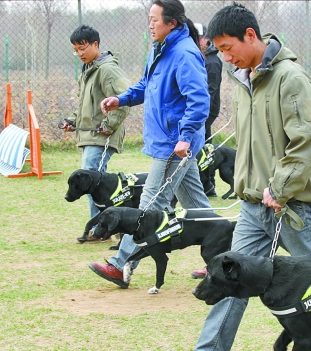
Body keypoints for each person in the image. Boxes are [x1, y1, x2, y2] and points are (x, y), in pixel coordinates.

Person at [194, 3, 311, 351]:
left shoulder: (292, 79)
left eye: (227, 48)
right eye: (219, 51)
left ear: (250, 35)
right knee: (228, 282)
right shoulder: (242, 80)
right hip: (251, 208)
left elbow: (307, 140)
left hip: (290, 207)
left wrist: (279, 189)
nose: (225, 58)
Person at [88, 0, 211, 288]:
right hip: (168, 141)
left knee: (149, 205)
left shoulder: (185, 53)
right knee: (196, 206)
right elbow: (145, 85)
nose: (150, 24)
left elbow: (199, 101)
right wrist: (122, 98)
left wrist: (185, 136)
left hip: (174, 143)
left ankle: (120, 265)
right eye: (149, 19)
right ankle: (223, 257)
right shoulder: (160, 49)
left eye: (155, 19)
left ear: (172, 23)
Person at [63, 25, 130, 242]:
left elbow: (123, 100)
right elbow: (85, 104)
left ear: (95, 45)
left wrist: (109, 126)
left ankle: (103, 229)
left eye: (82, 48)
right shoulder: (89, 70)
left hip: (102, 136)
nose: (79, 53)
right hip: (90, 136)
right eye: (76, 50)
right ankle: (110, 226)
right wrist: (72, 121)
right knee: (95, 184)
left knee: (93, 182)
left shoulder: (107, 69)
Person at [194, 23, 223, 200]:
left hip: (207, 111)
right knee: (205, 145)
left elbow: (211, 91)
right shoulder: (202, 58)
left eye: (198, 38)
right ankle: (208, 185)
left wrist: (201, 113)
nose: (196, 42)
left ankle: (207, 184)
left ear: (206, 39)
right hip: (203, 110)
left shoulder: (212, 62)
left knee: (202, 148)